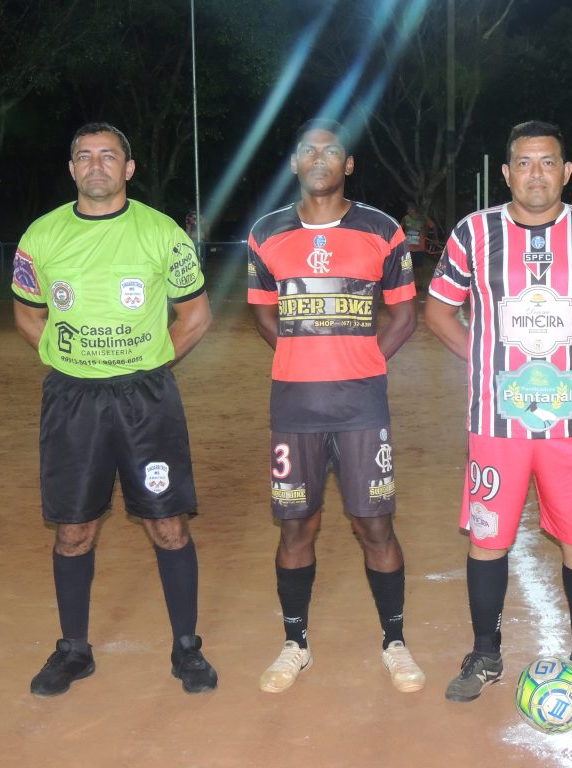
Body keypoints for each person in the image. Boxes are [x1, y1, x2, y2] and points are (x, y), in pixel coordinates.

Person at [425, 120, 572, 708]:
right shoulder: (474, 232)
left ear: (566, 172)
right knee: (489, 536)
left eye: (547, 163)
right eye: (523, 163)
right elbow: (439, 312)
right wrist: (486, 363)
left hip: (570, 422)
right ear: (506, 173)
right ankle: (485, 653)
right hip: (497, 422)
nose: (536, 174)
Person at [11, 122, 217, 696]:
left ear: (128, 168)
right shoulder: (41, 235)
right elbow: (28, 314)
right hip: (73, 400)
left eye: (108, 155)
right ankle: (73, 650)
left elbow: (195, 316)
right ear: (71, 169)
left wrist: (146, 363)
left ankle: (187, 648)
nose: (96, 164)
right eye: (84, 156)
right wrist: (71, 359)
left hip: (145, 399)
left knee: (167, 523)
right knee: (74, 529)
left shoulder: (162, 233)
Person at [247, 118, 424, 694]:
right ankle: (294, 644)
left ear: (347, 164)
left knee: (374, 524)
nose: (318, 158)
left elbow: (405, 315)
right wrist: (304, 356)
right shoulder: (266, 233)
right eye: (308, 150)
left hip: (360, 407)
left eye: (331, 151)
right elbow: (264, 314)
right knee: (296, 525)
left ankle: (395, 642)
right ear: (295, 162)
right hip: (294, 406)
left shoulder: (382, 230)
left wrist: (362, 361)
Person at [400, 202, 435, 290]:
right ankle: (408, 285)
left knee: (419, 268)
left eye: (409, 208)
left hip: (419, 247)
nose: (407, 210)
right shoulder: (405, 218)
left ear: (413, 209)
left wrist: (435, 237)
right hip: (408, 247)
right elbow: (399, 228)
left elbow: (433, 226)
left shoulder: (423, 218)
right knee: (406, 267)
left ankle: (420, 285)